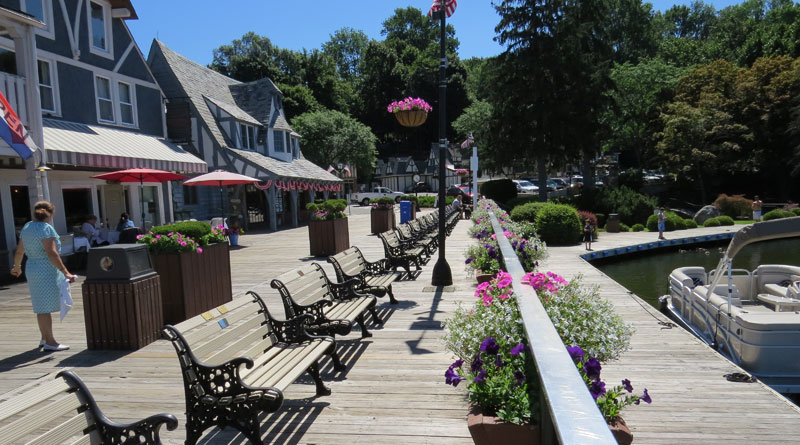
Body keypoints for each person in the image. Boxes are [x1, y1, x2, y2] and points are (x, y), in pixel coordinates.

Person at [10, 201, 76, 351]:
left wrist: (16, 267)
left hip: (32, 267)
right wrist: (65, 271)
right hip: (45, 269)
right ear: (50, 214)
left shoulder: (27, 227)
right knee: (44, 307)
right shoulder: (46, 229)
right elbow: (51, 253)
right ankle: (50, 342)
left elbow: (20, 251)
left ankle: (44, 338)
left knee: (41, 305)